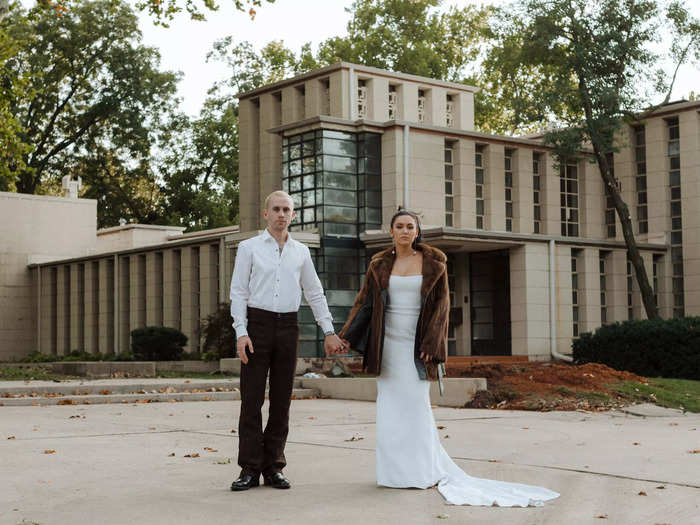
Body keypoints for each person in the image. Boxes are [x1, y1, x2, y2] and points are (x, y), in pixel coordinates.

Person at [337, 210, 559, 507]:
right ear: (391, 231)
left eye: (410, 227)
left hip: (416, 347)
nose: (404, 231)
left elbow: (442, 306)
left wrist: (434, 344)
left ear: (417, 232)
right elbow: (364, 302)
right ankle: (393, 474)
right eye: (399, 226)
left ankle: (420, 472)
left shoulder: (434, 263)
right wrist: (346, 336)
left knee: (416, 408)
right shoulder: (378, 264)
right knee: (390, 409)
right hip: (387, 345)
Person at [229, 190, 345, 491]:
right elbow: (238, 292)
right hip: (257, 326)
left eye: (287, 210)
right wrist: (241, 332)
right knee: (251, 401)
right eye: (276, 209)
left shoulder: (301, 252)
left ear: (293, 215)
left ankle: (273, 467)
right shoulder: (249, 248)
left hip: (288, 326)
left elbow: (314, 292)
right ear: (266, 214)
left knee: (281, 401)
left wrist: (329, 330)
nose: (281, 214)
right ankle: (250, 469)